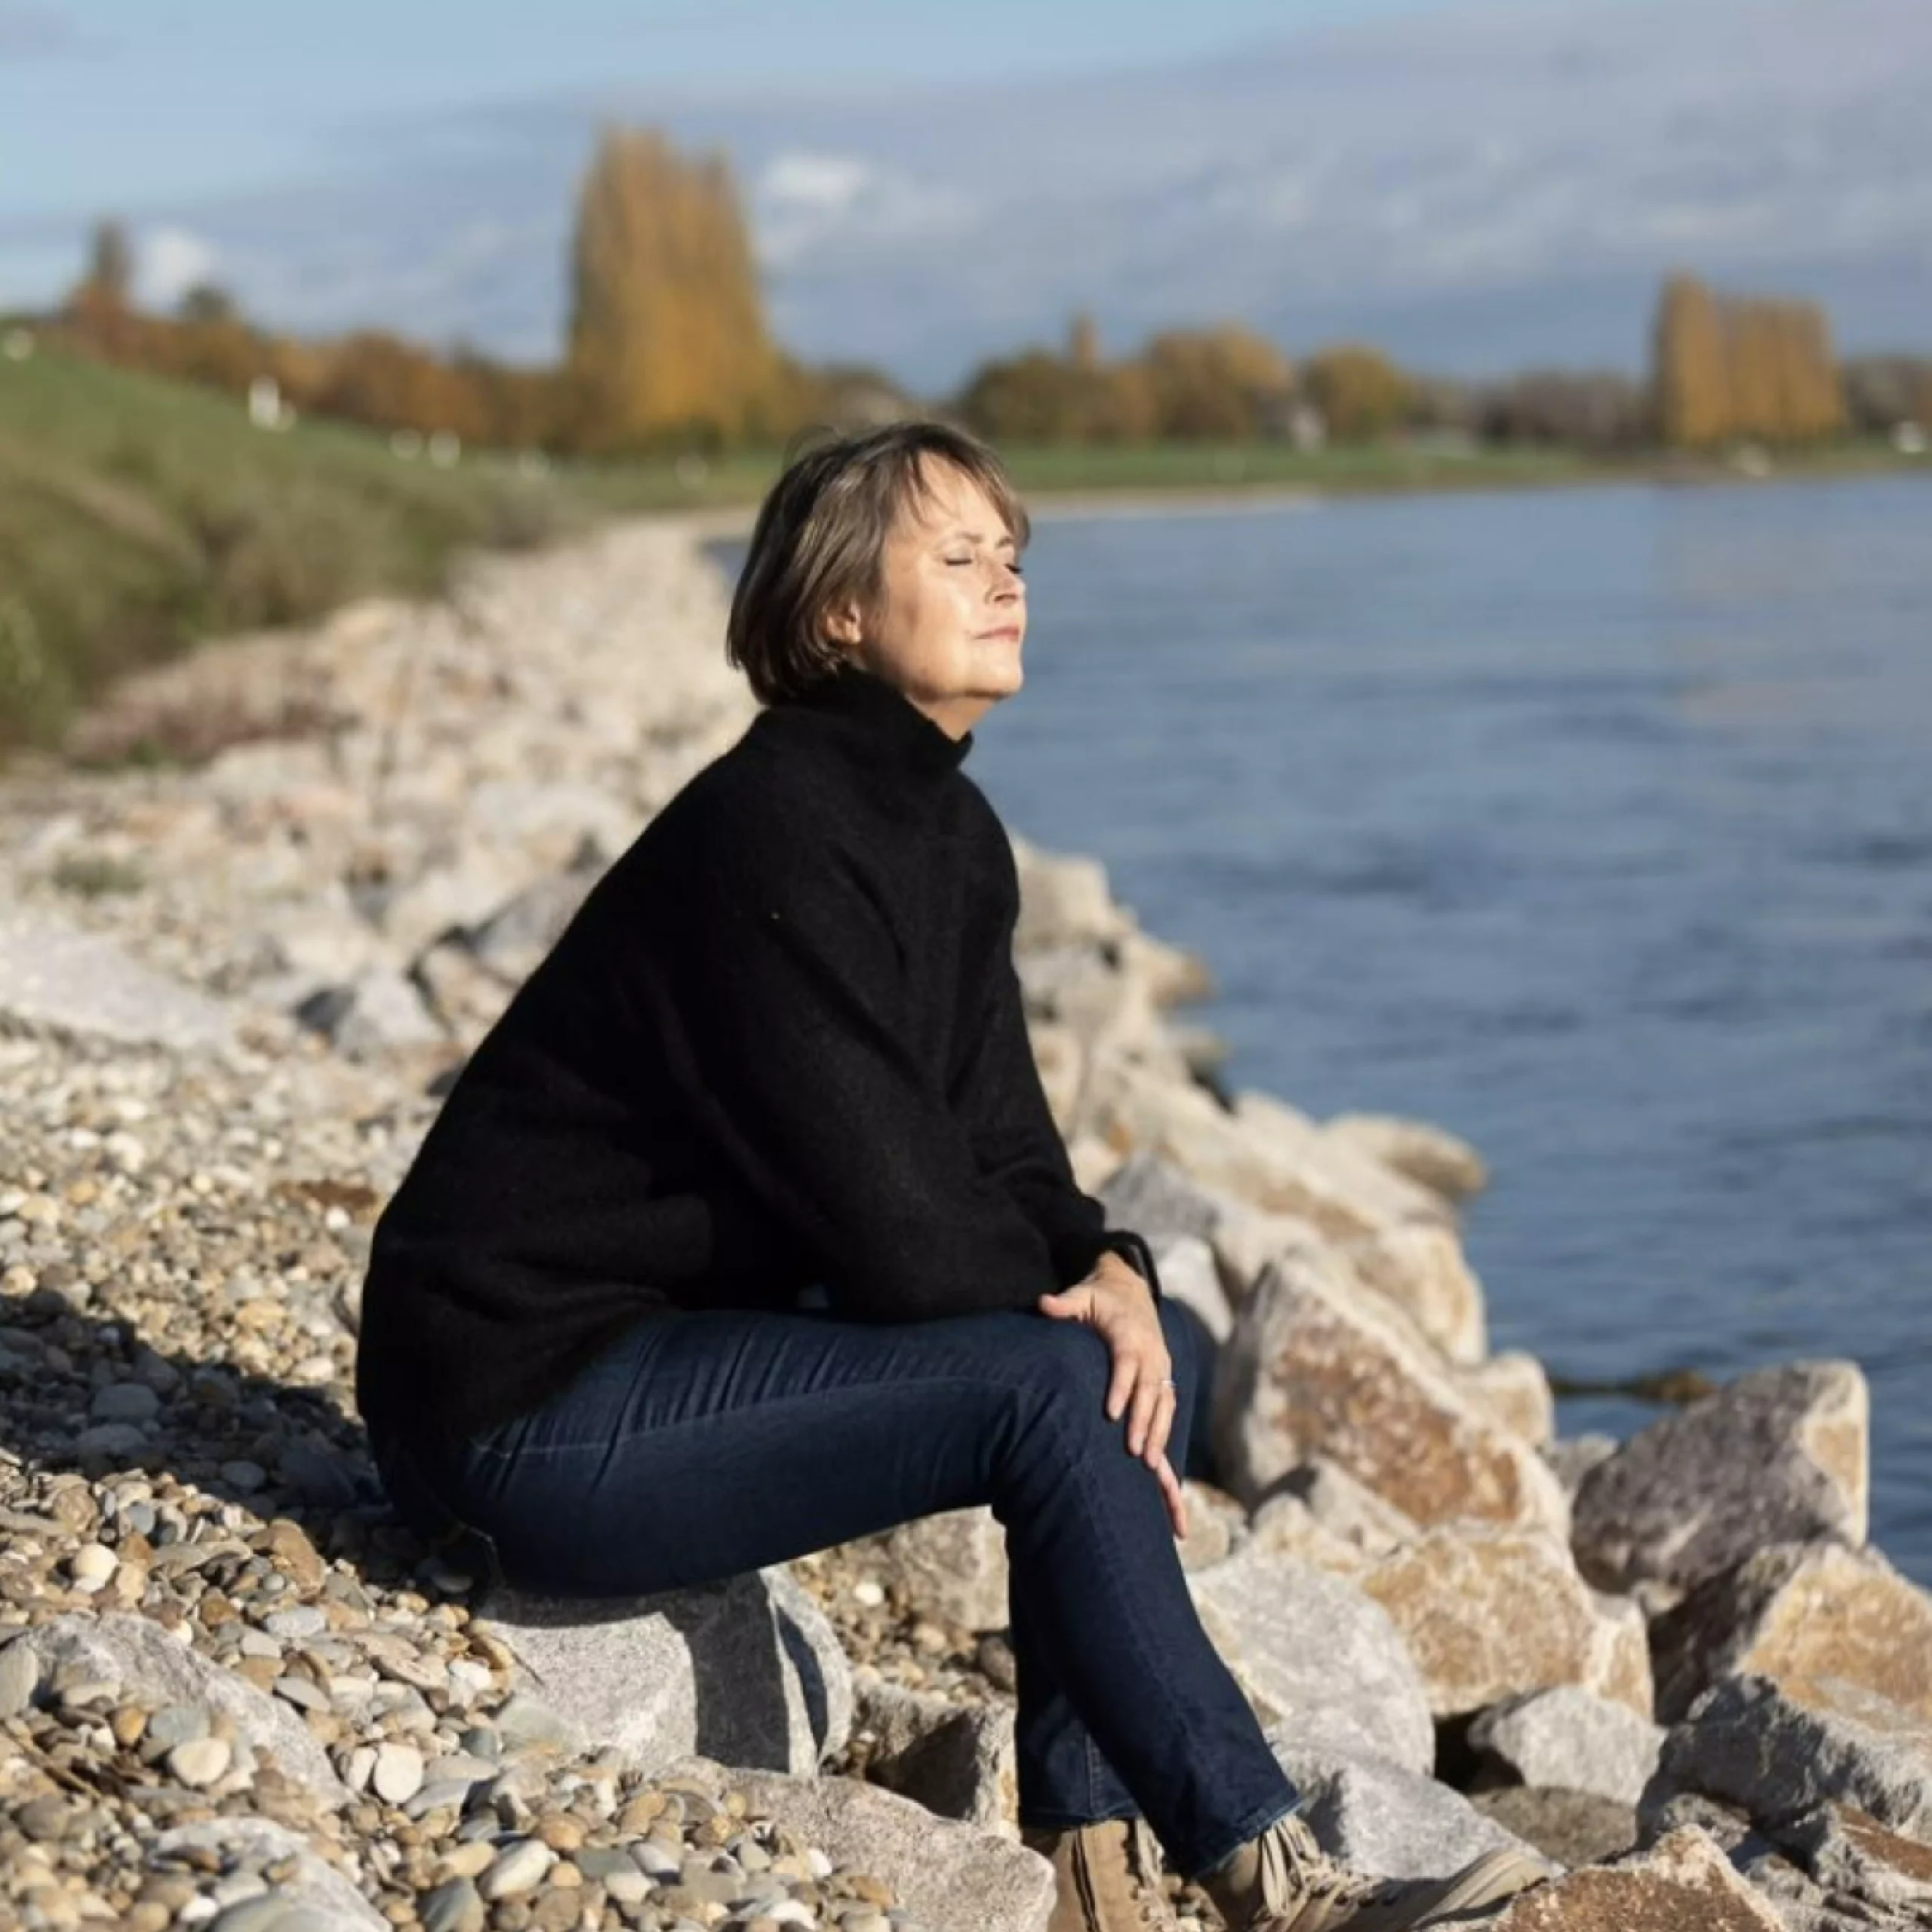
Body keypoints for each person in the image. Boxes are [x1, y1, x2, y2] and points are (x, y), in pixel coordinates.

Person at [354, 423, 1545, 1932]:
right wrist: (1077, 1311)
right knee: (1057, 1383)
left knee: (1146, 1345)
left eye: (1012, 557)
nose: (1008, 586)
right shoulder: (764, 832)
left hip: (667, 1341)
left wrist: (1112, 1262)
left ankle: (1085, 1852)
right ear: (842, 610)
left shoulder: (948, 833)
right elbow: (907, 1239)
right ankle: (1271, 1869)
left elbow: (1002, 1152)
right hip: (515, 1411)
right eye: (958, 556)